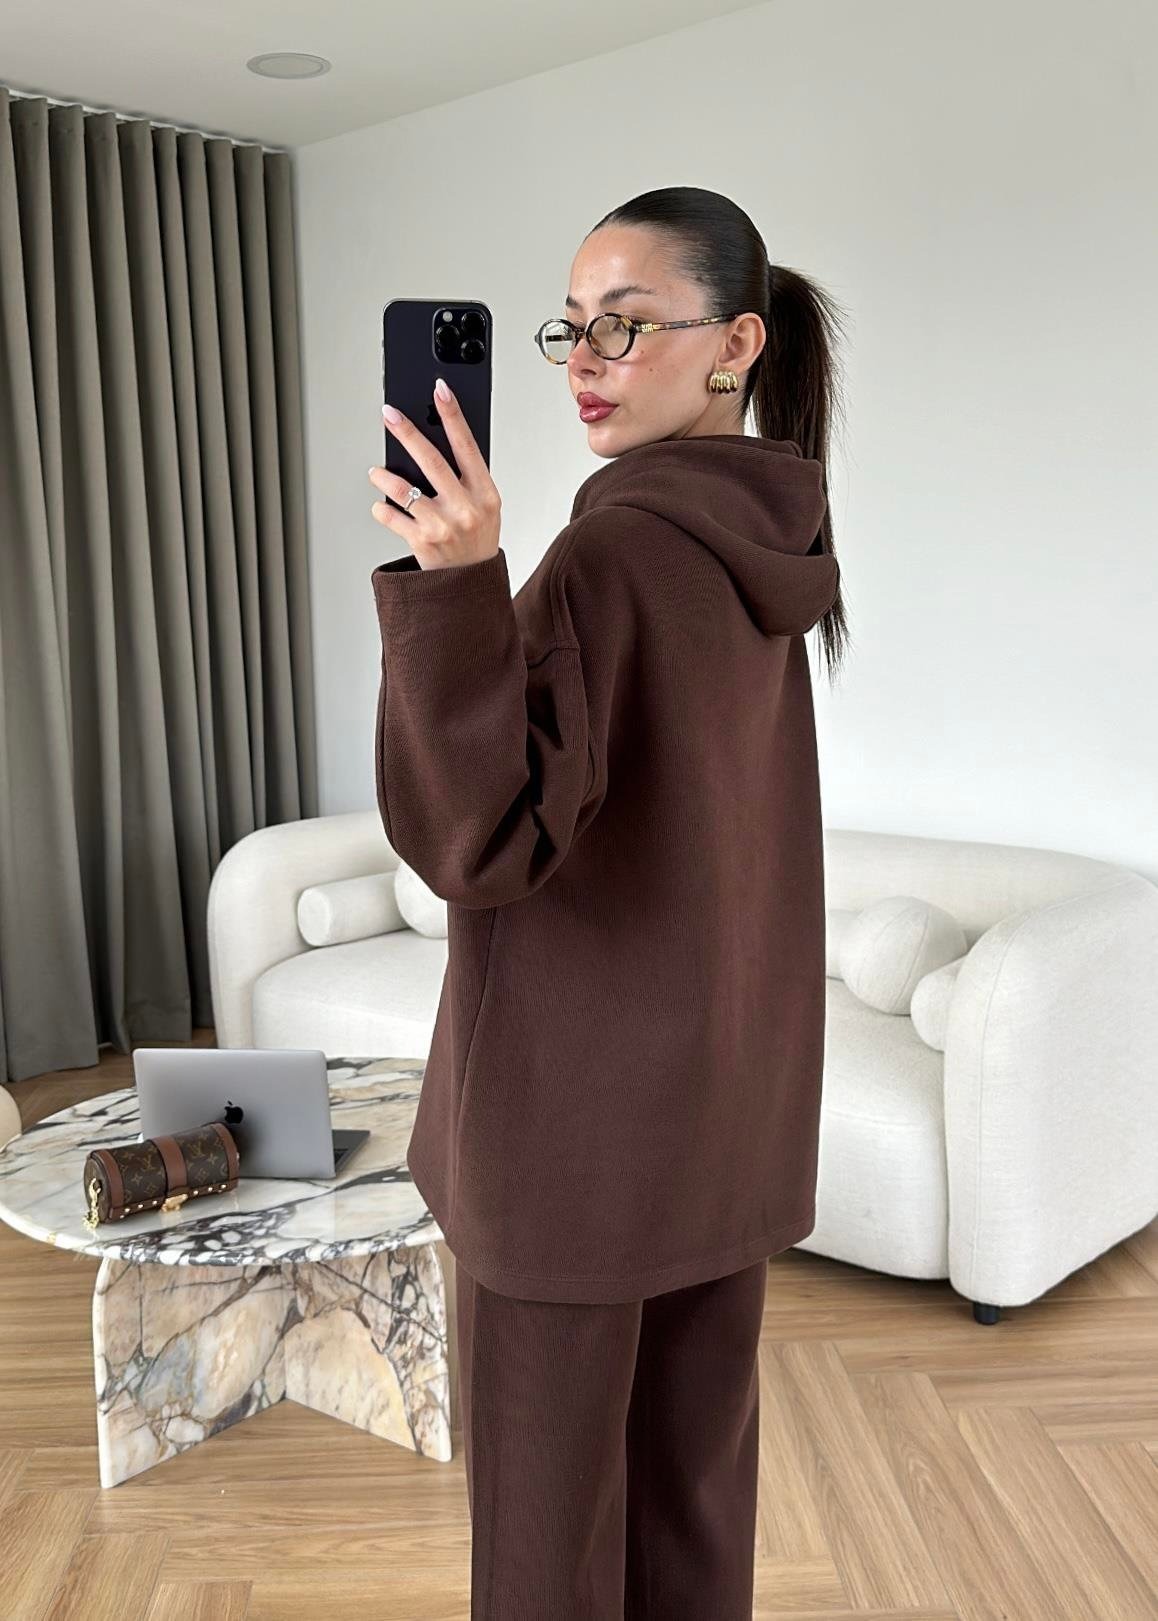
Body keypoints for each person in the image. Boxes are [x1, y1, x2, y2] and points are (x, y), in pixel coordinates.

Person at [368, 184, 850, 1620]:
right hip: (723, 1113)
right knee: (688, 1507)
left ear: (736, 344)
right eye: (571, 326)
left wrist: (454, 587)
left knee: (548, 1549)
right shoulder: (768, 542)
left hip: (573, 1139)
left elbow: (480, 839)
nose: (584, 360)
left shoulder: (616, 552)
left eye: (626, 326)